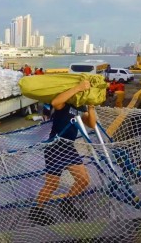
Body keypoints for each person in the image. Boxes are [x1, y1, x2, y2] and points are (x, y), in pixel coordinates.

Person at [30, 80, 96, 225]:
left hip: (68, 147)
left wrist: (91, 107)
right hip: (55, 147)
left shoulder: (80, 106)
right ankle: (36, 211)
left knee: (83, 180)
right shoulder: (65, 103)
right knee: (52, 185)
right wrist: (78, 87)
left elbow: (91, 123)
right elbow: (55, 102)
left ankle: (66, 204)